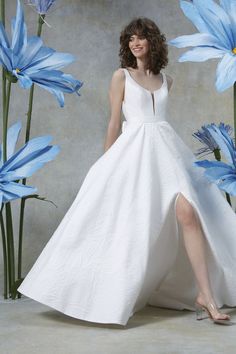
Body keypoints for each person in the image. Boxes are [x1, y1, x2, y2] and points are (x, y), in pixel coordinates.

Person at [18, 17, 236, 326]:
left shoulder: (167, 80)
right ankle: (105, 293)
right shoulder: (121, 76)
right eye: (130, 38)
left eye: (141, 38)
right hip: (134, 154)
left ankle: (207, 296)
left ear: (152, 42)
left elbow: (158, 118)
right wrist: (107, 164)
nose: (135, 43)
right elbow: (113, 121)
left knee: (189, 212)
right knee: (129, 226)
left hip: (168, 153)